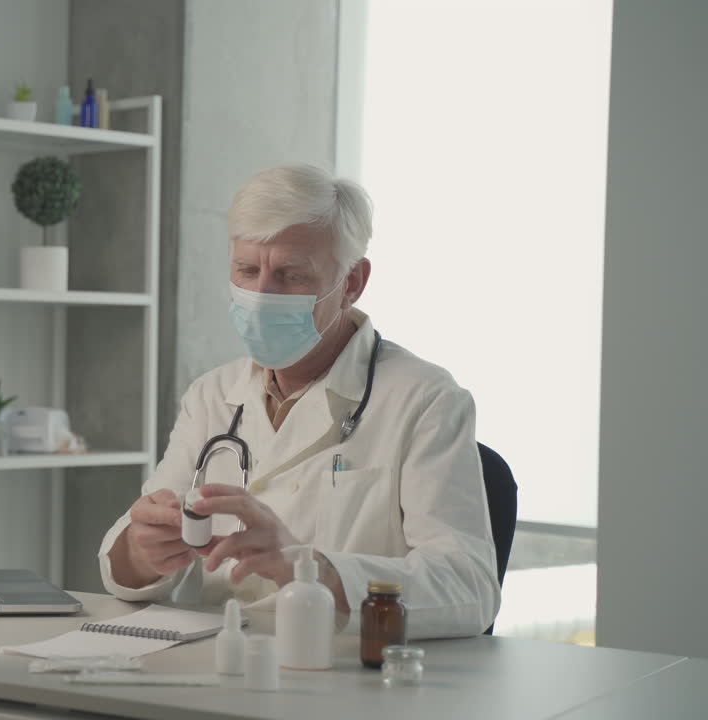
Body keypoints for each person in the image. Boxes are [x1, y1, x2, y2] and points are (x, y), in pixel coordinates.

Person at [99, 164, 499, 638]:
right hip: (213, 663)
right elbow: (123, 557)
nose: (261, 295)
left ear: (352, 282)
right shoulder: (211, 396)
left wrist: (310, 569)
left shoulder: (425, 401)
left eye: (291, 275)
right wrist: (143, 552)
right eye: (247, 270)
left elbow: (469, 586)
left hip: (341, 676)